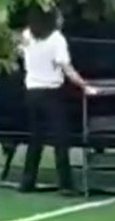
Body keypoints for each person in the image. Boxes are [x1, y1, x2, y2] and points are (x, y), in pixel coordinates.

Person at [15, 10, 95, 194]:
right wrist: (85, 85)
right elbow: (67, 68)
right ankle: (65, 184)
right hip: (51, 92)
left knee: (35, 138)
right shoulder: (57, 39)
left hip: (32, 91)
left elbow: (19, 49)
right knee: (60, 138)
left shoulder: (28, 35)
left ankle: (27, 182)